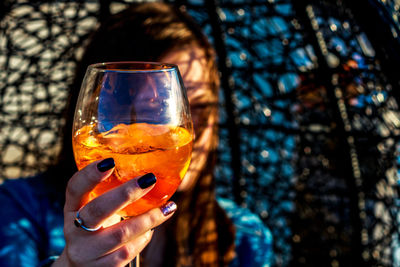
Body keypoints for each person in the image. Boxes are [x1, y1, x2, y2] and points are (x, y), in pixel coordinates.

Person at [0, 3, 273, 267]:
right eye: (157, 112)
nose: (191, 132)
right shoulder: (18, 211)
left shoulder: (245, 238)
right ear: (103, 112)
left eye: (199, 108)